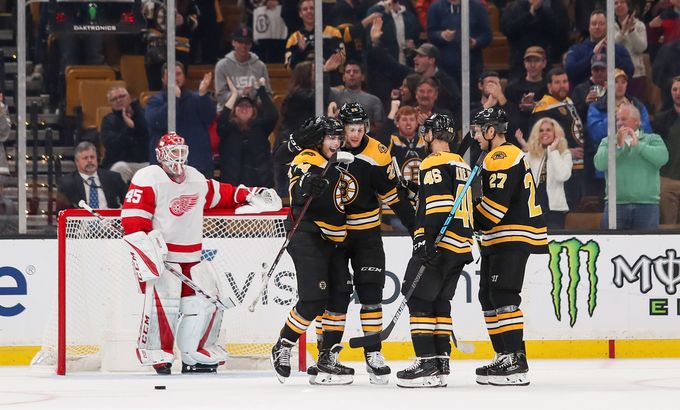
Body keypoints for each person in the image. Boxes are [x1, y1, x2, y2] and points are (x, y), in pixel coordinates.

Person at [121, 132, 281, 375]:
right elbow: (133, 219)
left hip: (193, 258)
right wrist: (147, 253)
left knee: (208, 304)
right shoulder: (148, 178)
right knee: (166, 306)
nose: (178, 157)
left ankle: (195, 353)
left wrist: (249, 194)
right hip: (164, 259)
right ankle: (159, 355)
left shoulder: (194, 177)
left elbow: (221, 194)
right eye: (173, 152)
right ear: (161, 155)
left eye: (181, 151)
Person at [270, 116, 354, 384]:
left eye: (338, 137)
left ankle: (326, 357)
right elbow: (298, 185)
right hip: (307, 232)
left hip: (335, 237)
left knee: (340, 295)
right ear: (319, 140)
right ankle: (283, 344)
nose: (336, 142)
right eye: (331, 137)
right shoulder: (307, 156)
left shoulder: (341, 162)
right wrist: (308, 186)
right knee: (314, 299)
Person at [395, 114, 474, 388]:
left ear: (433, 134)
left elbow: (440, 206)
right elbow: (447, 195)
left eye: (426, 131)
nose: (423, 135)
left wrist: (425, 241)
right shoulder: (460, 163)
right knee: (440, 302)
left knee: (417, 299)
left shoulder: (433, 161)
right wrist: (418, 191)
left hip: (440, 243)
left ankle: (426, 362)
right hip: (461, 244)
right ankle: (441, 362)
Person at [471, 106, 548, 386]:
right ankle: (504, 355)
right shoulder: (496, 155)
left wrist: (466, 218)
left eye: (479, 130)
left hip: (511, 234)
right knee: (488, 297)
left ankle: (516, 360)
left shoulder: (502, 155)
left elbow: (494, 210)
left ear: (492, 131)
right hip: (497, 237)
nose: (476, 136)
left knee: (503, 295)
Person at [594, 104, 669, 230]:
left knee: (646, 247)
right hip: (615, 205)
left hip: (647, 206)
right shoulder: (607, 141)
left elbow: (663, 158)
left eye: (623, 119)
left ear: (637, 121)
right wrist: (617, 147)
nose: (619, 123)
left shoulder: (653, 139)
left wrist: (638, 146)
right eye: (617, 119)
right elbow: (599, 164)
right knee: (612, 247)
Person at [587, 68, 652, 197]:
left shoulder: (637, 105)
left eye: (623, 82)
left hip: (634, 164)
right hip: (608, 166)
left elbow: (648, 131)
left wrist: (631, 117)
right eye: (615, 81)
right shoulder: (597, 106)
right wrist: (615, 116)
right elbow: (596, 133)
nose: (620, 85)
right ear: (606, 85)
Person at [145, 62, 216, 178]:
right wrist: (174, 100)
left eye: (178, 74)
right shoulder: (154, 101)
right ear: (163, 79)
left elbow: (210, 117)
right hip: (166, 169)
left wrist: (203, 95)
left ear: (184, 77)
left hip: (198, 166)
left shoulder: (197, 99)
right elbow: (157, 121)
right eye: (170, 75)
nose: (175, 78)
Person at [531, 67, 585, 212]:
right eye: (557, 82)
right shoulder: (544, 108)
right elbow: (539, 140)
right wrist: (566, 151)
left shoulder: (567, 101)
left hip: (576, 166)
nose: (562, 85)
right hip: (556, 170)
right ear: (549, 85)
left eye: (565, 81)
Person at [217, 77, 278, 188]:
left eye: (248, 106)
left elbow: (272, 115)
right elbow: (222, 120)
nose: (244, 109)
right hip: (232, 185)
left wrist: (262, 90)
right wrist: (234, 94)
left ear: (254, 110)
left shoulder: (261, 127)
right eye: (240, 106)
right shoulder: (227, 129)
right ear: (234, 110)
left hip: (261, 184)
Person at [426, 0, 492, 89]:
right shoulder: (435, 8)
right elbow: (431, 34)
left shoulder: (478, 7)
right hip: (445, 67)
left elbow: (487, 35)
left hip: (472, 67)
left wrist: (475, 42)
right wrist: (442, 35)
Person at [500, 0, 569, 81]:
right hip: (519, 60)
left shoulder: (551, 6)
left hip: (543, 59)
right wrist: (529, 15)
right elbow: (507, 29)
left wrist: (539, 10)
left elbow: (558, 30)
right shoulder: (513, 8)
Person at [564, 9, 634, 87]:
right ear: (589, 27)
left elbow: (630, 72)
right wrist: (593, 54)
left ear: (607, 27)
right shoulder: (576, 49)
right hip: (583, 94)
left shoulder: (618, 49)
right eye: (594, 24)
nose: (597, 27)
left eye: (601, 24)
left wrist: (611, 54)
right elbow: (570, 73)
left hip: (612, 95)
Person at [525, 118, 572, 229]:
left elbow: (563, 176)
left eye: (548, 130)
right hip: (533, 209)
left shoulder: (564, 153)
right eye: (541, 130)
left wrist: (554, 151)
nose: (544, 133)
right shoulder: (530, 155)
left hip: (555, 210)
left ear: (556, 133)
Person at [214, 25, 273, 108]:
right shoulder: (222, 66)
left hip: (254, 111)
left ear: (251, 44)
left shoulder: (260, 66)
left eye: (247, 43)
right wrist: (241, 93)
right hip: (228, 110)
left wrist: (255, 99)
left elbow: (268, 94)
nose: (243, 46)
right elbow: (220, 97)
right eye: (240, 42)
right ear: (233, 42)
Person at [56, 141, 127, 211]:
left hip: (111, 221)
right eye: (85, 158)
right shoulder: (67, 183)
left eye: (92, 157)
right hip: (82, 221)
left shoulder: (114, 178)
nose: (90, 160)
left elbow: (127, 203)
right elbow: (61, 213)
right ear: (77, 162)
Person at [100, 86, 150, 183]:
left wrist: (136, 110)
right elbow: (112, 145)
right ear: (110, 103)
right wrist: (129, 129)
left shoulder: (143, 114)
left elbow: (148, 134)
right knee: (119, 168)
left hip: (144, 162)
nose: (119, 100)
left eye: (122, 96)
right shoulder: (108, 120)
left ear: (129, 97)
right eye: (114, 99)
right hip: (122, 163)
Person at [651, 75, 680, 224]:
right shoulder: (661, 120)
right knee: (668, 225)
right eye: (674, 89)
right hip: (667, 181)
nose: (677, 93)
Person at [328, 61, 386, 134]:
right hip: (339, 141)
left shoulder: (374, 100)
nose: (351, 74)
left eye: (355, 71)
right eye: (348, 72)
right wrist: (325, 70)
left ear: (362, 77)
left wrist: (359, 127)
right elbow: (320, 89)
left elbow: (379, 128)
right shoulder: (334, 94)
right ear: (343, 77)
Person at [504, 46, 548, 137]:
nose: (532, 65)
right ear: (524, 63)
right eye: (529, 61)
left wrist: (537, 106)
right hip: (519, 134)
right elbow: (507, 114)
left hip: (544, 134)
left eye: (536, 61)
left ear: (544, 63)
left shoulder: (549, 87)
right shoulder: (512, 88)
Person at [613, 0, 648, 99]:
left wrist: (632, 31)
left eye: (622, 2)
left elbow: (641, 48)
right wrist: (623, 32)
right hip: (615, 75)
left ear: (628, 5)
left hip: (636, 74)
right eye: (616, 3)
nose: (619, 5)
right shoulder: (609, 26)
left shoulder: (640, 25)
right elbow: (610, 46)